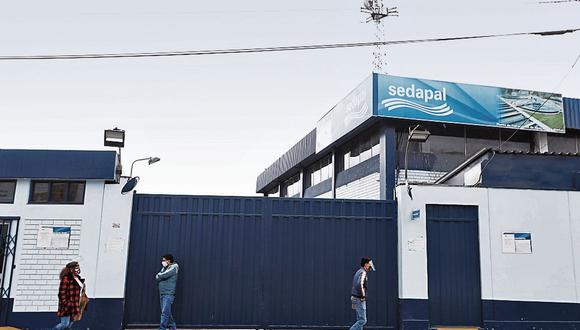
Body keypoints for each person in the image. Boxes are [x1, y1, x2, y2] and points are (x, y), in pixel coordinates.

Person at [54, 261, 85, 330]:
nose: (77, 269)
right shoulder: (66, 279)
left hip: (75, 305)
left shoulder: (77, 278)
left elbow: (80, 289)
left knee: (69, 325)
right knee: (64, 324)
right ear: (71, 269)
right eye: (76, 268)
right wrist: (67, 304)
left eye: (78, 267)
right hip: (67, 306)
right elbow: (61, 294)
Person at [349, 257, 376, 330]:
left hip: (355, 298)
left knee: (359, 320)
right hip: (359, 299)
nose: (370, 266)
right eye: (369, 264)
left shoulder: (358, 271)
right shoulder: (363, 272)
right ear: (366, 264)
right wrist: (363, 296)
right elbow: (359, 285)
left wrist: (353, 300)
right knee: (363, 320)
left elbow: (354, 285)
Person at [156, 254, 179, 330]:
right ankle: (172, 327)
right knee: (167, 312)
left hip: (168, 293)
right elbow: (158, 276)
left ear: (168, 260)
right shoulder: (164, 268)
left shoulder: (174, 267)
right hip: (162, 292)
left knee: (165, 313)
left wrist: (159, 275)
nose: (162, 261)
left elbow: (163, 275)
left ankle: (162, 328)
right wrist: (159, 275)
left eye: (164, 260)